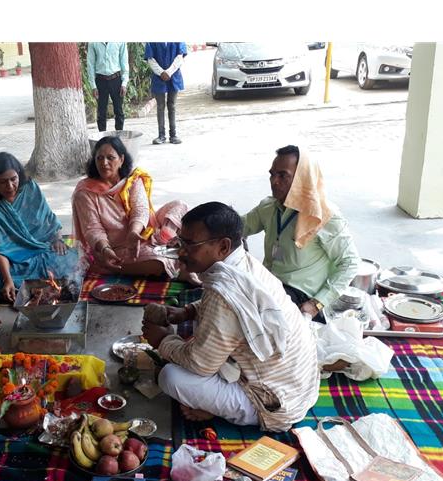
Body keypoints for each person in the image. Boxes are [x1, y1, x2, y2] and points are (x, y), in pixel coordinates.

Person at [141, 202, 319, 432]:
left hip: (272, 403)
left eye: (189, 244)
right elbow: (236, 309)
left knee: (171, 377)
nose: (181, 251)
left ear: (223, 246)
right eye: (181, 241)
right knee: (203, 336)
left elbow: (200, 364)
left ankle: (228, 411)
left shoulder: (223, 292)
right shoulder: (243, 263)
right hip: (300, 387)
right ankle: (217, 402)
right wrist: (188, 311)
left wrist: (163, 340)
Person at [243, 145, 360, 321]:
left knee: (254, 317)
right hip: (269, 284)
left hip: (300, 294)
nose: (274, 181)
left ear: (303, 178)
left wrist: (317, 303)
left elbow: (350, 263)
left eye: (283, 175)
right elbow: (240, 226)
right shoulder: (268, 207)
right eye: (272, 174)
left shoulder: (324, 216)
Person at [0, 152, 80, 302]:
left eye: (13, 179)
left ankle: (26, 285)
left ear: (19, 175)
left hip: (40, 251)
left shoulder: (30, 189)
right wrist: (7, 280)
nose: (10, 186)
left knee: (73, 257)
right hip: (9, 261)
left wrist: (58, 240)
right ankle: (18, 284)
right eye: (2, 182)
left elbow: (48, 219)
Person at [72, 136, 188, 277]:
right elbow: (93, 229)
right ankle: (111, 266)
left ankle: (166, 244)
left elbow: (140, 209)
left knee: (180, 206)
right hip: (116, 247)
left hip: (142, 231)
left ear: (121, 160)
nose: (104, 163)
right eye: (99, 158)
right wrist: (105, 249)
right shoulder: (85, 192)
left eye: (110, 158)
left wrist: (133, 232)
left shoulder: (133, 179)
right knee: (159, 263)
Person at [145, 42, 187, 145]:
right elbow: (150, 59)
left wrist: (168, 72)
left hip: (174, 75)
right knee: (160, 106)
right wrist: (161, 72)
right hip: (158, 76)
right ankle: (161, 136)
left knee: (172, 105)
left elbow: (180, 56)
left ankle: (173, 135)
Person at [86, 42, 129, 132]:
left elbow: (124, 63)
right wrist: (93, 86)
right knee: (101, 112)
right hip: (100, 81)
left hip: (116, 79)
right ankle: (103, 137)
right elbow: (90, 64)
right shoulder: (93, 42)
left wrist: (124, 83)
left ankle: (118, 136)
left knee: (119, 111)